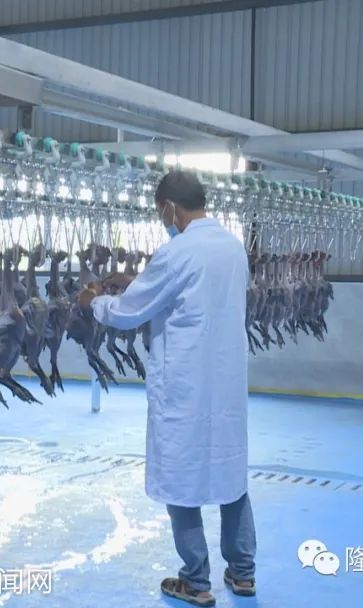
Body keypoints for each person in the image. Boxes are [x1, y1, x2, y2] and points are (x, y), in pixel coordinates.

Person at [88, 170, 256, 607]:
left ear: (168, 208)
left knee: (182, 478)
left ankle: (196, 582)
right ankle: (242, 573)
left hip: (185, 386)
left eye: (158, 211)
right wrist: (138, 279)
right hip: (225, 384)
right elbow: (188, 292)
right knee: (230, 474)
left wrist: (95, 302)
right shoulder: (232, 247)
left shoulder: (177, 251)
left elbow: (128, 312)